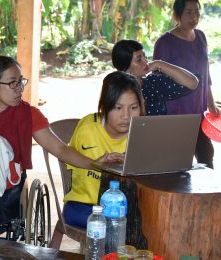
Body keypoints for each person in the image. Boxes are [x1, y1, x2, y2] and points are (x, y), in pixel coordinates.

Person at [0, 56, 123, 259]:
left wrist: (94, 163)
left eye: (21, 81)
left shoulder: (28, 115)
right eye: (12, 83)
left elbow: (61, 149)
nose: (19, 88)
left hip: (3, 187)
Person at [62, 71, 144, 228]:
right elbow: (66, 156)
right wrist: (96, 164)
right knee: (118, 227)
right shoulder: (88, 129)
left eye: (133, 107)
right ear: (104, 107)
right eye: (118, 108)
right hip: (85, 206)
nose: (126, 116)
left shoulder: (142, 133)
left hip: (126, 209)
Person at [153, 0, 219, 168]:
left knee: (206, 156)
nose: (194, 17)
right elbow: (157, 81)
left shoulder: (201, 37)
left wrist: (211, 103)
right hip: (177, 113)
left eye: (197, 12)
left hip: (199, 110)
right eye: (188, 12)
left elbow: (205, 73)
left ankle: (207, 194)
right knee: (179, 163)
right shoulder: (165, 42)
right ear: (177, 15)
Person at [112, 39, 198, 116]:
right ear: (124, 66)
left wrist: (159, 64)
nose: (146, 62)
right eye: (139, 60)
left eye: (145, 57)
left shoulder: (153, 83)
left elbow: (192, 83)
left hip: (160, 133)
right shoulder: (114, 89)